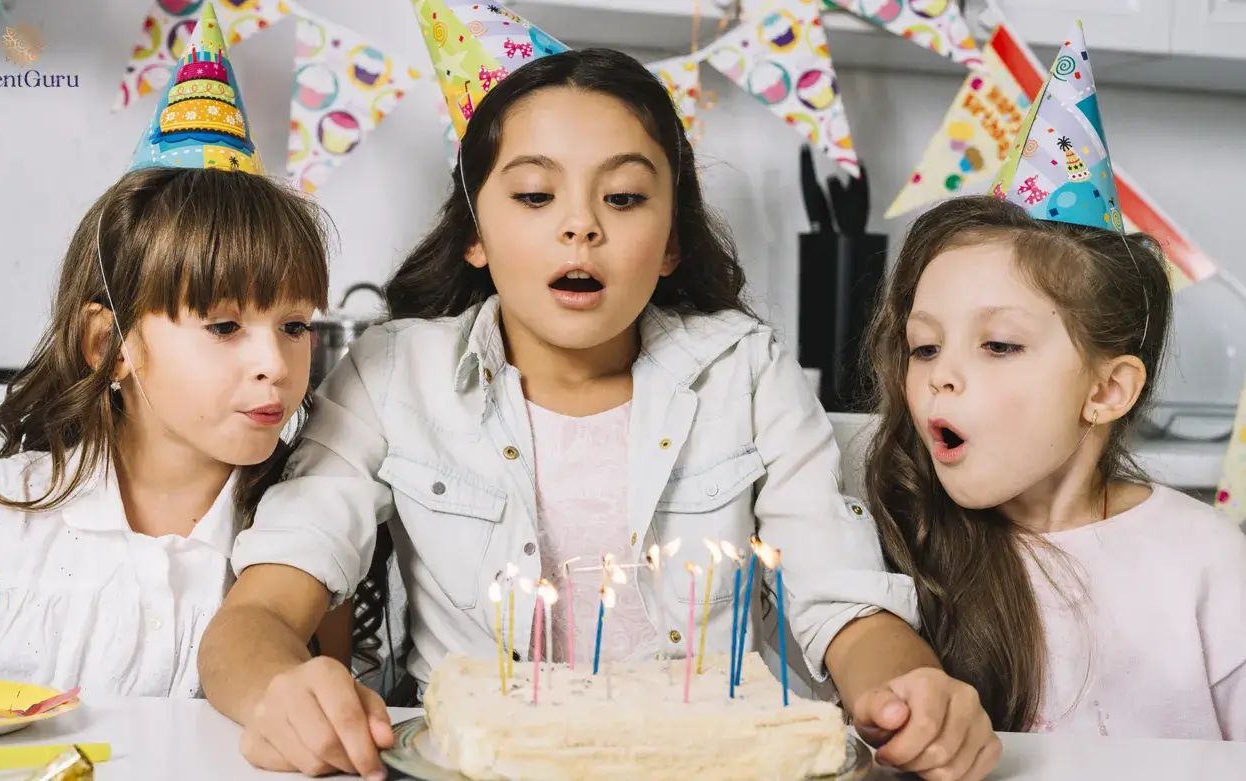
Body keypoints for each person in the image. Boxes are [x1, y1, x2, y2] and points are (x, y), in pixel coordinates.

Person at [200, 43, 1001, 781]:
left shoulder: (744, 371)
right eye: (535, 194)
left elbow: (844, 602)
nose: (580, 225)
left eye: (622, 196)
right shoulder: (390, 373)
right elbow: (262, 610)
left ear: (671, 242)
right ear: (474, 231)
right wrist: (279, 685)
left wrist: (913, 693)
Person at [0, 4, 342, 697]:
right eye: (224, 327)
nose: (276, 364)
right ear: (110, 344)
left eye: (294, 325)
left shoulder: (308, 533)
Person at [862, 28, 1246, 740]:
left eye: (999, 344)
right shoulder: (896, 551)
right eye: (923, 345)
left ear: (1106, 391)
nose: (940, 375)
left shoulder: (1209, 563)